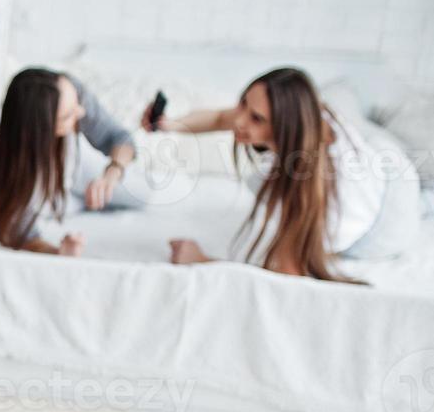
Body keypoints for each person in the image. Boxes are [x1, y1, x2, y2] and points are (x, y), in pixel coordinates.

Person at [149, 67, 421, 280]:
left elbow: (285, 279)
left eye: (256, 119)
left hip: (385, 223)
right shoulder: (306, 115)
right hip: (378, 161)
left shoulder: (305, 185)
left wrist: (199, 260)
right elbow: (222, 118)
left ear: (287, 126)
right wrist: (169, 125)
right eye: (243, 104)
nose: (239, 120)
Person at [0, 67, 138, 257]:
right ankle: (71, 199)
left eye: (77, 104)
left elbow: (121, 138)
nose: (81, 113)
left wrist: (111, 175)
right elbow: (19, 233)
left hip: (82, 166)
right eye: (67, 117)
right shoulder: (19, 169)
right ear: (41, 132)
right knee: (44, 205)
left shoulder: (69, 91)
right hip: (53, 180)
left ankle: (76, 197)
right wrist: (58, 251)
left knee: (141, 194)